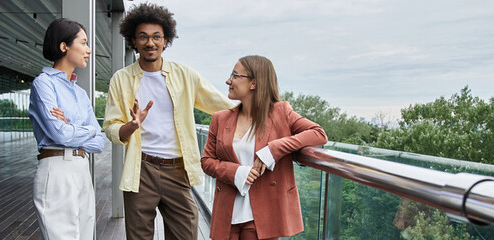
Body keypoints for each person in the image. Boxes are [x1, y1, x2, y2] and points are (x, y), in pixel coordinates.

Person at [102, 3, 235, 240]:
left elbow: (221, 104)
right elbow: (111, 127)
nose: (150, 43)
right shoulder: (120, 79)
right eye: (143, 37)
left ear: (166, 41)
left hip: (177, 169)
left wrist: (264, 108)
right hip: (140, 169)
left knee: (186, 234)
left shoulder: (184, 75)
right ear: (133, 40)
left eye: (156, 37)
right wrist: (130, 126)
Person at [201, 55, 328, 240]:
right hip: (227, 214)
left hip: (261, 217)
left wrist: (272, 150)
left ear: (254, 83)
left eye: (235, 75)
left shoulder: (281, 112)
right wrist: (237, 172)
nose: (228, 80)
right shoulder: (220, 118)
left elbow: (318, 133)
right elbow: (207, 161)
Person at [28, 18, 105, 240]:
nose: (89, 49)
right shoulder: (43, 84)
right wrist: (85, 130)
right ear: (64, 46)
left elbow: (99, 142)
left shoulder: (80, 94)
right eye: (83, 43)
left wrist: (73, 128)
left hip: (82, 169)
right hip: (56, 169)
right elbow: (58, 133)